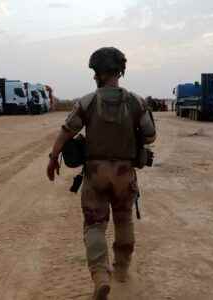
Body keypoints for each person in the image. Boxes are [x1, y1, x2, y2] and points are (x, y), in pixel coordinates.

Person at [46, 47, 156, 300]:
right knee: (124, 219)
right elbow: (150, 135)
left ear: (97, 73)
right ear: (120, 71)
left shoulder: (87, 102)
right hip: (124, 172)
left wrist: (53, 159)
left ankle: (100, 276)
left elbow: (66, 132)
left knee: (95, 225)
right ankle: (121, 271)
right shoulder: (137, 102)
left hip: (96, 173)